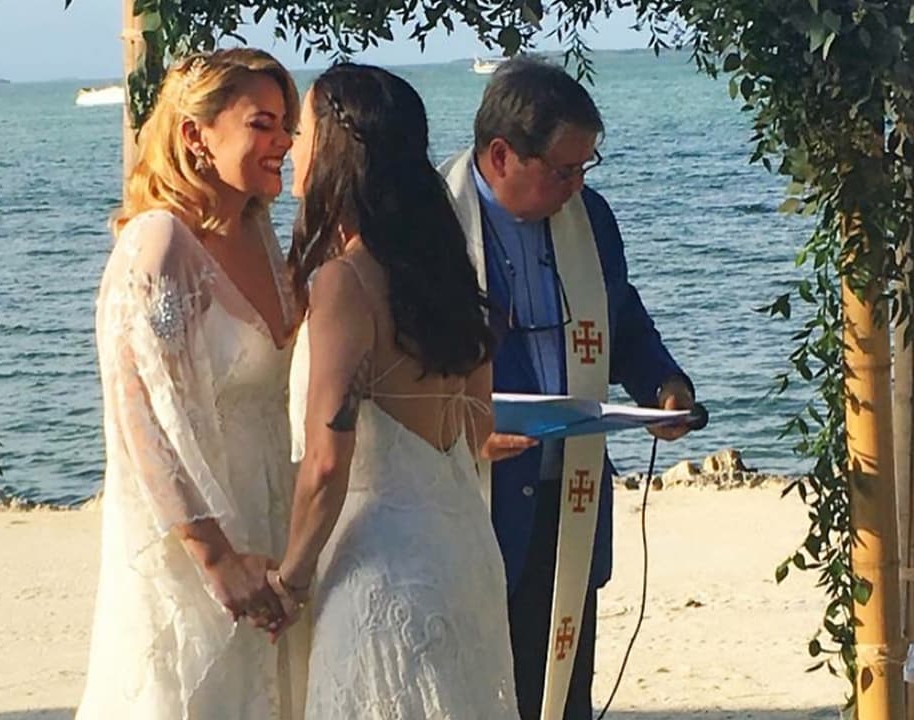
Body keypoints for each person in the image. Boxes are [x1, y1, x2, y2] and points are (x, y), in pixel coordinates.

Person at [438, 55, 695, 720]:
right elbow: (397, 362)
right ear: (501, 155)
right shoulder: (432, 223)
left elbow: (621, 319)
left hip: (568, 493)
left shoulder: (591, 217)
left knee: (562, 694)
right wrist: (460, 428)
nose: (577, 184)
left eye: (586, 167)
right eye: (562, 170)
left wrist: (663, 385)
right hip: (471, 496)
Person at [269, 62, 521, 719]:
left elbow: (327, 461)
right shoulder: (449, 276)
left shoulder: (345, 282)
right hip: (464, 550)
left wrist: (291, 578)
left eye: (301, 131)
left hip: (382, 569)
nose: (292, 146)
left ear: (333, 149)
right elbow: (477, 427)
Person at [77, 48, 306, 719]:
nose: (284, 142)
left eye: (288, 126)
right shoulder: (159, 243)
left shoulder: (262, 234)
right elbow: (142, 419)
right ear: (195, 135)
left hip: (276, 523)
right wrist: (217, 560)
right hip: (205, 550)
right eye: (262, 124)